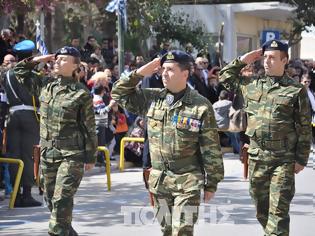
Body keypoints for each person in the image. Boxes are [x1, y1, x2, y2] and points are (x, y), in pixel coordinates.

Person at [112, 50, 224, 236]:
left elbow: (211, 147)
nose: (164, 73)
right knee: (167, 230)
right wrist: (143, 71)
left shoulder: (200, 105)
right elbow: (118, 92)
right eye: (162, 69)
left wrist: (212, 182)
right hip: (160, 180)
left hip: (188, 180)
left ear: (185, 74)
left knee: (182, 230)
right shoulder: (152, 98)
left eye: (170, 69)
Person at [219, 39, 312, 236]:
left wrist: (301, 158)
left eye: (272, 58)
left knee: (278, 212)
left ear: (284, 60)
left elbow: (304, 127)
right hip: (257, 158)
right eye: (265, 57)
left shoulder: (296, 91)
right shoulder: (251, 85)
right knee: (262, 212)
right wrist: (245, 59)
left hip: (283, 160)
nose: (267, 62)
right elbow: (224, 77)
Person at [12, 46, 97, 235]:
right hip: (47, 154)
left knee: (61, 200)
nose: (57, 61)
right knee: (52, 202)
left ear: (75, 66)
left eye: (63, 59)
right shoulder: (45, 85)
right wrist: (41, 58)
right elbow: (18, 70)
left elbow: (89, 128)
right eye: (56, 58)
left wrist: (91, 157)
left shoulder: (81, 93)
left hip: (71, 155)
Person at [0, 40, 41, 207]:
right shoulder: (32, 75)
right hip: (28, 116)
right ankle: (26, 194)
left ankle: (15, 196)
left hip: (11, 115)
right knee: (28, 155)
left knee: (13, 155)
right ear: (31, 56)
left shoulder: (7, 75)